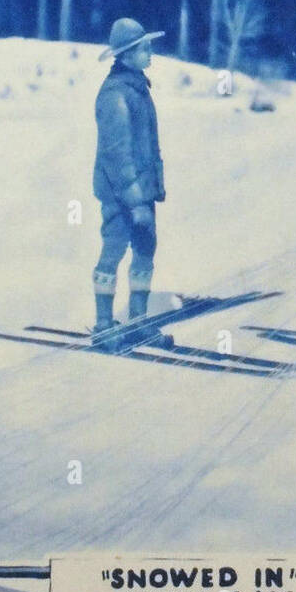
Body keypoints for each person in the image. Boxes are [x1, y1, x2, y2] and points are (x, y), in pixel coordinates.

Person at [91, 17, 171, 349]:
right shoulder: (115, 95)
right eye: (145, 48)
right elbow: (117, 153)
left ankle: (138, 321)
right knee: (114, 249)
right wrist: (136, 199)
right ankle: (104, 325)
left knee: (145, 249)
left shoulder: (136, 88)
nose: (151, 52)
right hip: (120, 191)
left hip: (141, 189)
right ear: (127, 54)